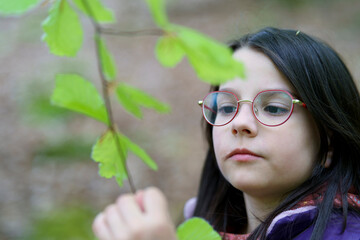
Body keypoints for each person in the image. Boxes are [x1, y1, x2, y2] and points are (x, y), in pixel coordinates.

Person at [92, 27, 360, 240]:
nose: (239, 123)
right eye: (227, 107)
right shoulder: (194, 231)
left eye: (274, 108)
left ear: (328, 142)